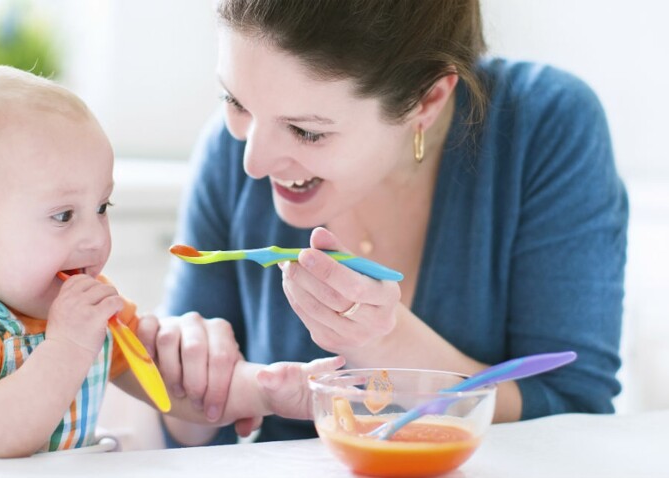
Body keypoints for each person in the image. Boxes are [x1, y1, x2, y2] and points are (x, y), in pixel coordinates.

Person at [157, 0, 628, 446]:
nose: (252, 162)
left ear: (427, 100)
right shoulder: (229, 147)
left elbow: (573, 411)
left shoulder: (546, 127)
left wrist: (385, 342)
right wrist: (192, 382)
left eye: (307, 131)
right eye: (234, 101)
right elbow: (191, 436)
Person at [0, 64, 343, 463]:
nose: (94, 238)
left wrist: (274, 390)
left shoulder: (87, 308)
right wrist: (68, 347)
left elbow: (175, 387)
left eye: (102, 208)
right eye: (63, 215)